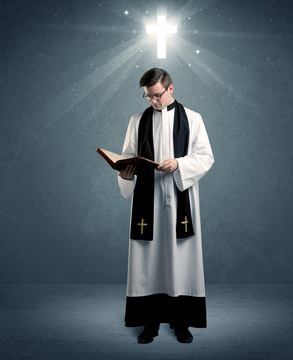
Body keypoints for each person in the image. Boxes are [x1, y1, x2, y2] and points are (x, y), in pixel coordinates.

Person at [118, 68, 214, 344]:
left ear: (170, 89)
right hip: (148, 202)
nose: (152, 101)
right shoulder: (137, 120)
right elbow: (127, 156)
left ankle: (182, 323)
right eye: (148, 97)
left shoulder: (193, 119)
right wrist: (124, 171)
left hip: (179, 197)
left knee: (180, 259)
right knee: (148, 260)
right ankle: (149, 323)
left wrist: (179, 164)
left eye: (156, 95)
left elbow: (206, 157)